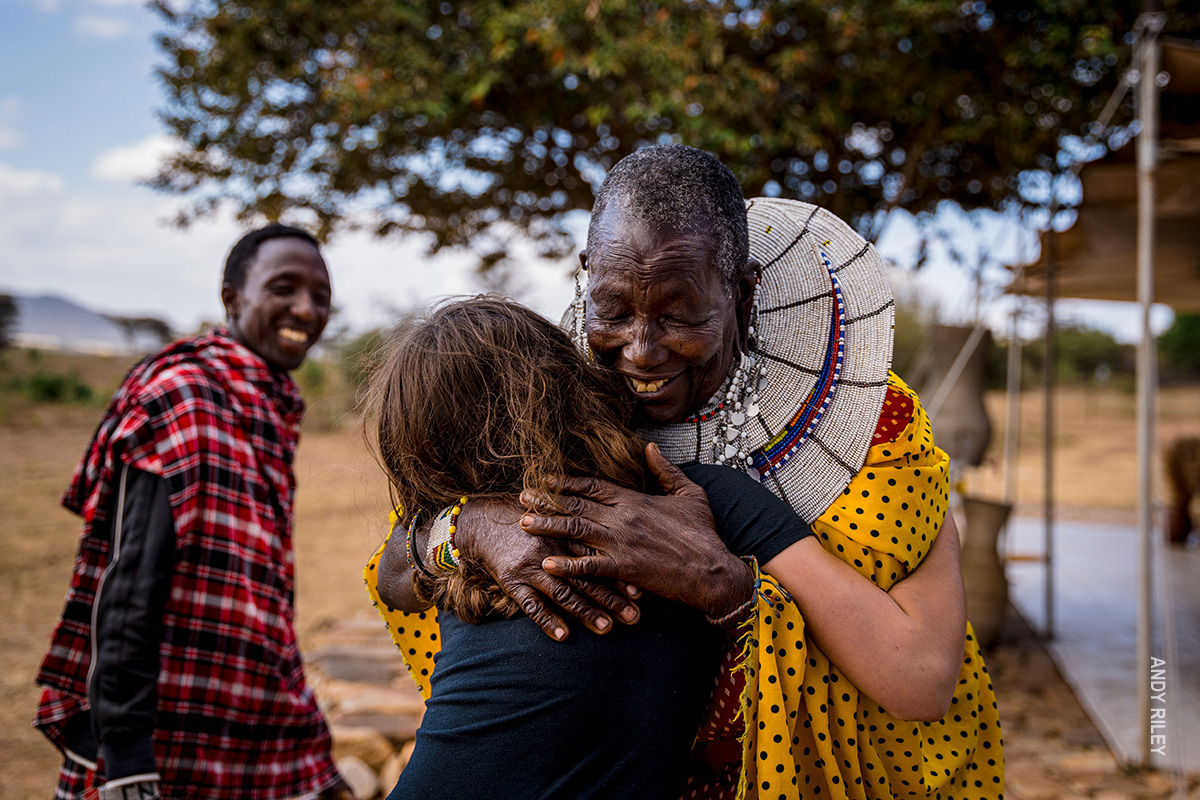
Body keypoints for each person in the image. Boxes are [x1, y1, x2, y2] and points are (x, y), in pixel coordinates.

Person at [368, 145, 1004, 798]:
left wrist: (728, 588)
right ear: (587, 275)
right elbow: (394, 568)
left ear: (743, 292)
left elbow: (922, 679)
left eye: (679, 316)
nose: (640, 352)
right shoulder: (556, 410)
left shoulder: (872, 424)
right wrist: (468, 529)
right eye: (613, 311)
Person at [365, 297, 817, 799]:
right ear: (569, 379)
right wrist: (466, 526)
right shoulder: (695, 502)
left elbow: (394, 576)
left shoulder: (461, 551)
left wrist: (463, 525)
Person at [34, 224, 348, 800]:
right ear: (232, 298)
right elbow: (130, 578)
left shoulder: (266, 406)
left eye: (321, 295)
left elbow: (258, 596)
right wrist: (125, 750)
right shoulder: (184, 395)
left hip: (245, 713)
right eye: (284, 288)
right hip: (159, 731)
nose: (306, 309)